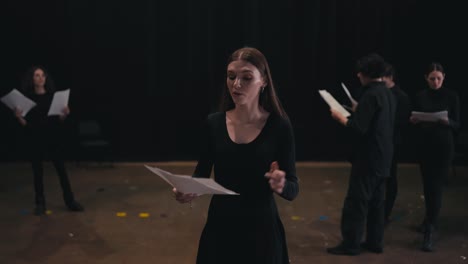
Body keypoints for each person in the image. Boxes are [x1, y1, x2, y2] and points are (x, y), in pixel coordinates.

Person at [173, 47, 299, 264]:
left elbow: (293, 189)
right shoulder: (214, 124)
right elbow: (201, 176)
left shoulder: (279, 125)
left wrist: (281, 185)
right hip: (221, 227)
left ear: (264, 81)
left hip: (262, 231)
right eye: (231, 76)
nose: (236, 84)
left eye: (247, 78)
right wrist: (188, 191)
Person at [327, 53, 396, 255]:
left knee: (356, 202)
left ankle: (351, 244)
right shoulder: (387, 93)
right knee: (376, 203)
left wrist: (340, 117)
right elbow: (378, 121)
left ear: (366, 74)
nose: (358, 75)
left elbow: (358, 128)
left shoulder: (371, 94)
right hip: (384, 158)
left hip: (368, 158)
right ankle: (375, 242)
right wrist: (360, 109)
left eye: (360, 72)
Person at [14, 65, 84, 216]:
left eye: (42, 75)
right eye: (37, 75)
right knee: (37, 172)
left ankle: (70, 201)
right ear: (32, 79)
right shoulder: (28, 99)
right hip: (35, 138)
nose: (40, 78)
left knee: (61, 171)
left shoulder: (53, 97)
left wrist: (64, 114)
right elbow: (27, 125)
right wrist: (19, 117)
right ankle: (40, 203)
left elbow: (58, 120)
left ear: (46, 79)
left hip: (53, 138)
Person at [410, 62, 460, 252]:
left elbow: (458, 124)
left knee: (436, 187)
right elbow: (414, 119)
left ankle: (430, 226)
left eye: (439, 78)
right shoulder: (420, 96)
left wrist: (448, 122)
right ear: (426, 79)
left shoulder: (452, 96)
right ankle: (429, 220)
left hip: (443, 147)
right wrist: (413, 120)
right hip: (425, 146)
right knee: (428, 185)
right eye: (432, 79)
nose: (435, 81)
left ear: (444, 77)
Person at [382, 64, 412, 226]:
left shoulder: (401, 96)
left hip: (393, 142)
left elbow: (402, 122)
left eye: (383, 77)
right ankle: (380, 210)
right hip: (382, 141)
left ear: (390, 77)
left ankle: (386, 212)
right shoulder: (382, 93)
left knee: (390, 177)